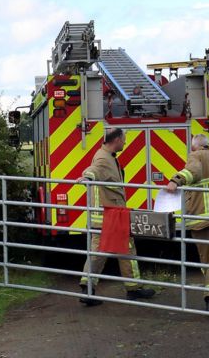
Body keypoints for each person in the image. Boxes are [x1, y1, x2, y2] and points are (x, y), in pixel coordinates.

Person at [77, 127, 155, 305]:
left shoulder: (107, 156)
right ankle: (129, 289)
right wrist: (87, 178)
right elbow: (94, 170)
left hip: (111, 214)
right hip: (109, 215)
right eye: (124, 139)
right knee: (114, 250)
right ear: (117, 139)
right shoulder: (104, 158)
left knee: (113, 250)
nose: (125, 142)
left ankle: (92, 288)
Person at [165, 133, 209, 313]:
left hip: (200, 219)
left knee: (206, 261)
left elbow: (192, 171)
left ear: (194, 147)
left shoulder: (196, 156)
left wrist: (175, 181)